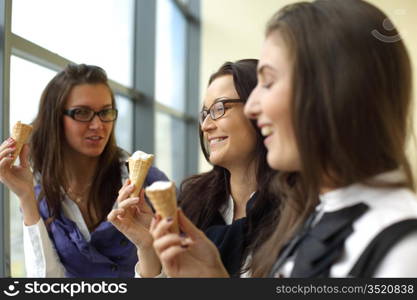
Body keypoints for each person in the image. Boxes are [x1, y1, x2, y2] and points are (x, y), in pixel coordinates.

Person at [148, 0, 417, 277]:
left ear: (331, 90)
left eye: (269, 82)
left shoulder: (402, 249)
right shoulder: (320, 216)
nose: (253, 107)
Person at [108, 59, 279, 277]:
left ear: (259, 109)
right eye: (205, 113)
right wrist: (148, 247)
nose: (206, 125)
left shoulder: (295, 210)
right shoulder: (193, 202)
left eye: (220, 108)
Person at [0, 64, 168, 277]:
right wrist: (25, 197)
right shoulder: (41, 194)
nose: (98, 124)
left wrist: (147, 247)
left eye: (105, 112)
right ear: (56, 119)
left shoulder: (151, 185)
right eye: (82, 112)